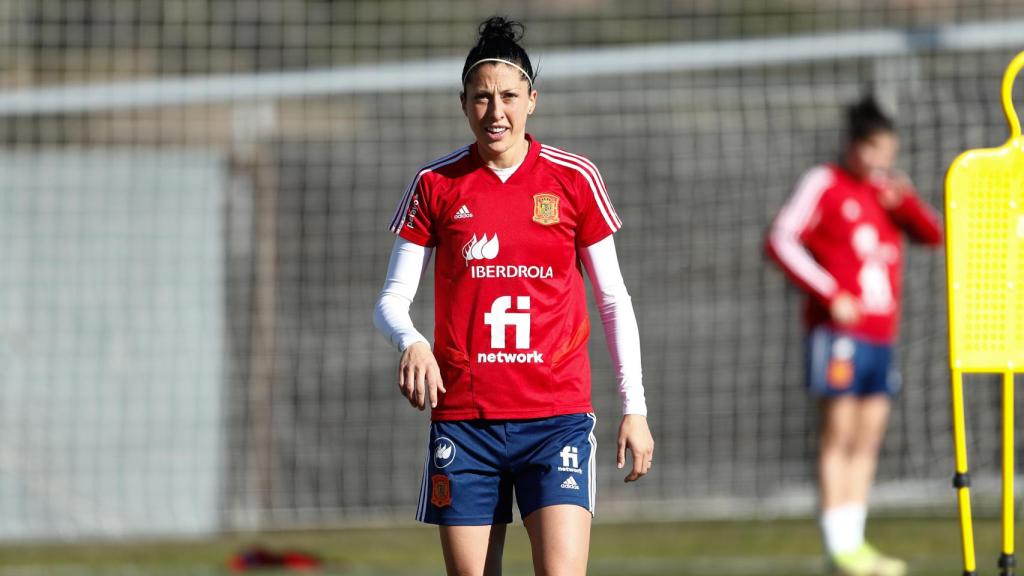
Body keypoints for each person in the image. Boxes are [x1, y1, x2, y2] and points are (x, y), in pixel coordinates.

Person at [373, 16, 654, 576]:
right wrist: (412, 341)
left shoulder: (574, 179)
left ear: (532, 101)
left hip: (556, 418)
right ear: (463, 104)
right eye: (481, 97)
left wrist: (635, 408)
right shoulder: (435, 184)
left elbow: (613, 300)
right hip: (466, 422)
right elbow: (391, 301)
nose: (495, 112)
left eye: (507, 96)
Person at [766, 96, 943, 576]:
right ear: (854, 145)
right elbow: (780, 239)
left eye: (889, 151)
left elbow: (934, 234)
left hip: (881, 336)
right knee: (839, 433)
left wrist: (905, 200)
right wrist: (831, 292)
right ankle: (838, 546)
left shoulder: (887, 193)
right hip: (837, 334)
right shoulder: (825, 182)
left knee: (868, 437)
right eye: (875, 149)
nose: (882, 159)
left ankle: (855, 542)